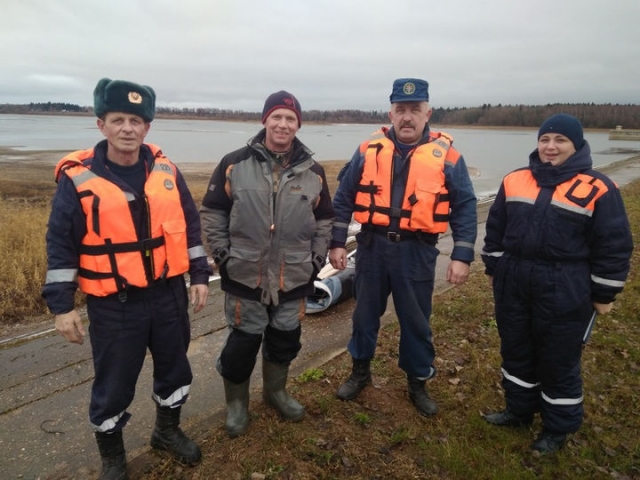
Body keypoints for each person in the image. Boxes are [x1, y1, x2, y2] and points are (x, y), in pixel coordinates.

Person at [42, 78, 210, 478]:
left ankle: (166, 433)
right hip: (115, 305)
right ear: (101, 125)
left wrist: (200, 275)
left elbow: (189, 226)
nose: (128, 129)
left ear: (147, 127)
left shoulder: (167, 171)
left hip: (169, 296)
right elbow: (61, 243)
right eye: (118, 119)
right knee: (114, 385)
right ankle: (113, 458)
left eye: (136, 120)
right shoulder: (78, 179)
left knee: (175, 370)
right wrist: (61, 306)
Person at [481, 114, 633, 454]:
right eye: (545, 139)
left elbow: (614, 246)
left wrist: (605, 293)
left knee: (558, 359)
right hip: (515, 279)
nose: (550, 147)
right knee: (516, 349)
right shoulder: (515, 180)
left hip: (564, 284)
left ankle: (557, 428)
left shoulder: (599, 188)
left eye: (560, 140)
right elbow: (495, 228)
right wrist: (493, 266)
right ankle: (519, 410)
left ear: (576, 145)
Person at [328, 78, 478, 417]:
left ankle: (417, 382)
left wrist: (462, 255)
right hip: (371, 248)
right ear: (390, 113)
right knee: (364, 316)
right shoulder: (368, 149)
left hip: (417, 251)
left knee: (416, 321)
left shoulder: (448, 156)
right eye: (400, 110)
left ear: (428, 113)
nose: (407, 117)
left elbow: (466, 205)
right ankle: (360, 372)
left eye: (414, 110)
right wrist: (337, 242)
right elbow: (343, 198)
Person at [200, 90, 334, 437]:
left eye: (290, 119)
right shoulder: (234, 163)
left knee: (285, 339)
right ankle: (237, 405)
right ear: (265, 120)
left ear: (298, 124)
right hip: (245, 272)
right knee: (243, 343)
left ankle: (276, 392)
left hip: (294, 273)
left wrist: (317, 258)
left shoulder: (313, 171)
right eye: (277, 117)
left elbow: (324, 220)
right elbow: (213, 213)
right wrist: (223, 255)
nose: (283, 124)